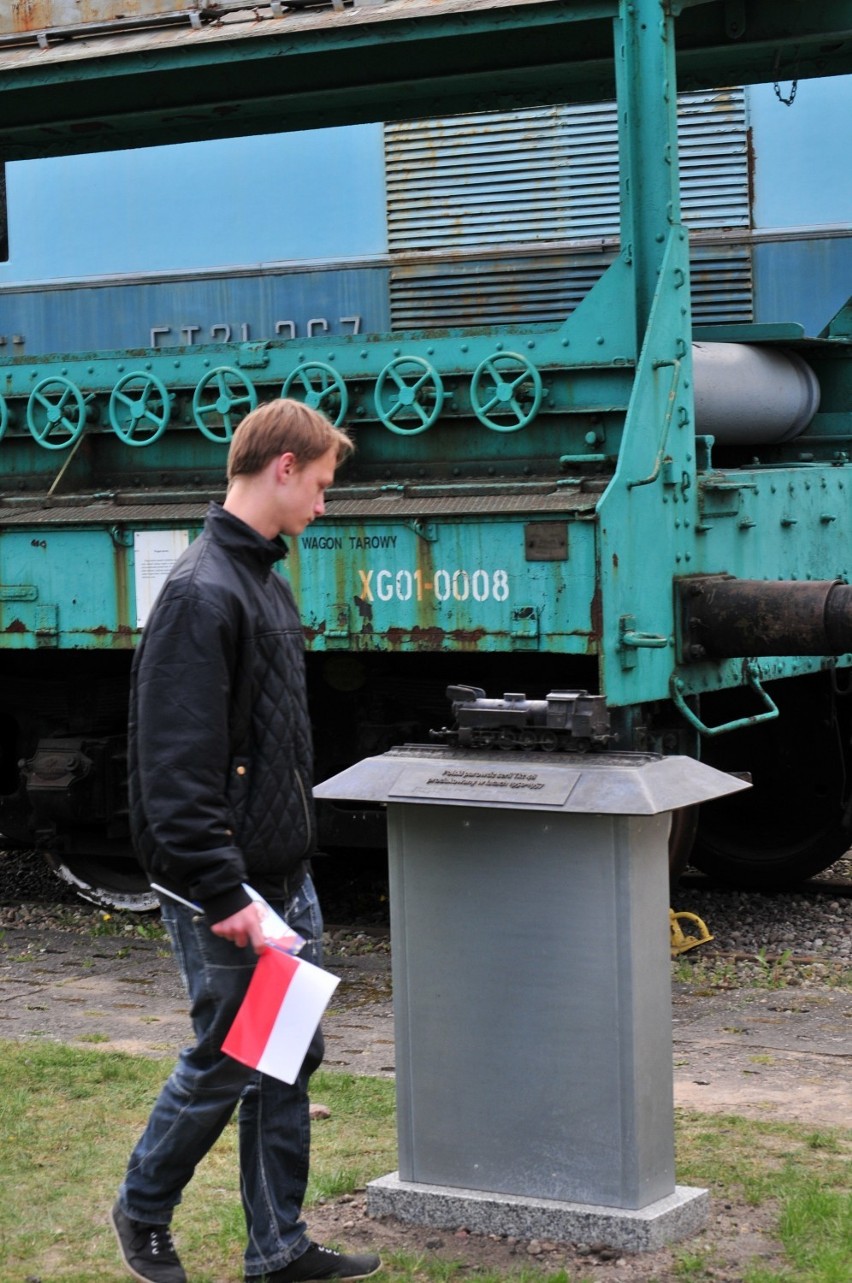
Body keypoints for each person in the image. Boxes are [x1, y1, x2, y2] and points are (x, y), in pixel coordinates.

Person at [111, 399, 381, 1283]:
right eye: (324, 486)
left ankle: (279, 1248)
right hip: (231, 890)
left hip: (280, 875)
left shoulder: (261, 578)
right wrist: (225, 894)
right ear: (285, 467)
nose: (325, 506)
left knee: (285, 1060)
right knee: (230, 1059)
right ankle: (142, 1207)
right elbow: (173, 768)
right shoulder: (202, 590)